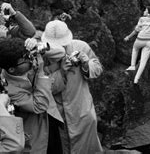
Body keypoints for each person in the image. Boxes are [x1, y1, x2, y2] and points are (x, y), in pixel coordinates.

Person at [41, 20, 103, 154]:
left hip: (82, 111)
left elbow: (98, 69)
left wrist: (86, 64)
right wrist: (61, 72)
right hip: (58, 116)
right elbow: (43, 89)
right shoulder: (42, 56)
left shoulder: (80, 46)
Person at [0, 38, 53, 153]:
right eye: (25, 59)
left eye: (28, 55)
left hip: (48, 123)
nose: (30, 60)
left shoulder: (23, 67)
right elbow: (39, 106)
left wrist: (35, 43)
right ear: (11, 69)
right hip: (32, 137)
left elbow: (60, 52)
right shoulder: (9, 89)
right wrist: (40, 73)